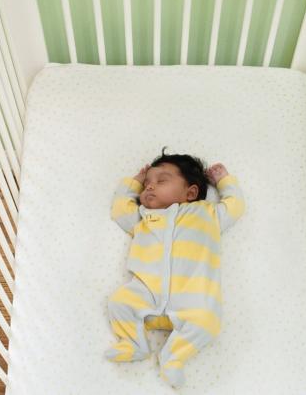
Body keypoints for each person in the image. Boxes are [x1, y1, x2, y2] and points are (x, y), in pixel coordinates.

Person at [104, 147, 245, 388]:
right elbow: (119, 209)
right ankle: (133, 343)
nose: (149, 186)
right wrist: (133, 182)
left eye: (161, 181)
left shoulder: (207, 214)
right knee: (118, 302)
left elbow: (235, 206)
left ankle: (174, 357)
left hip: (191, 297)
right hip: (147, 290)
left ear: (191, 192)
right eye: (147, 183)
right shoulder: (144, 216)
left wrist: (224, 181)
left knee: (208, 322)